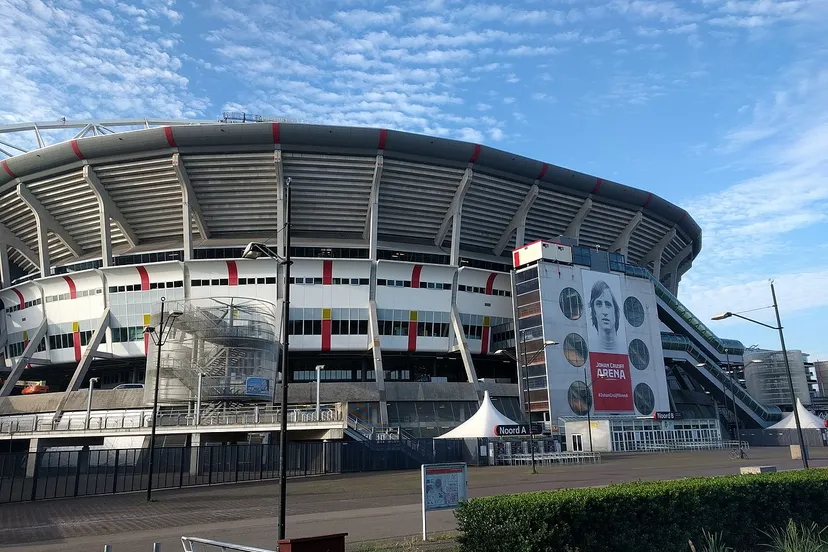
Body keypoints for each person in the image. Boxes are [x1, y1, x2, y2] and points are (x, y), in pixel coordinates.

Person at [589, 280, 621, 353]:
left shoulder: (623, 348)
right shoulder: (591, 347)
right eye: (599, 304)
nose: (604, 312)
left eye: (608, 305)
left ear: (615, 312)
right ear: (594, 311)